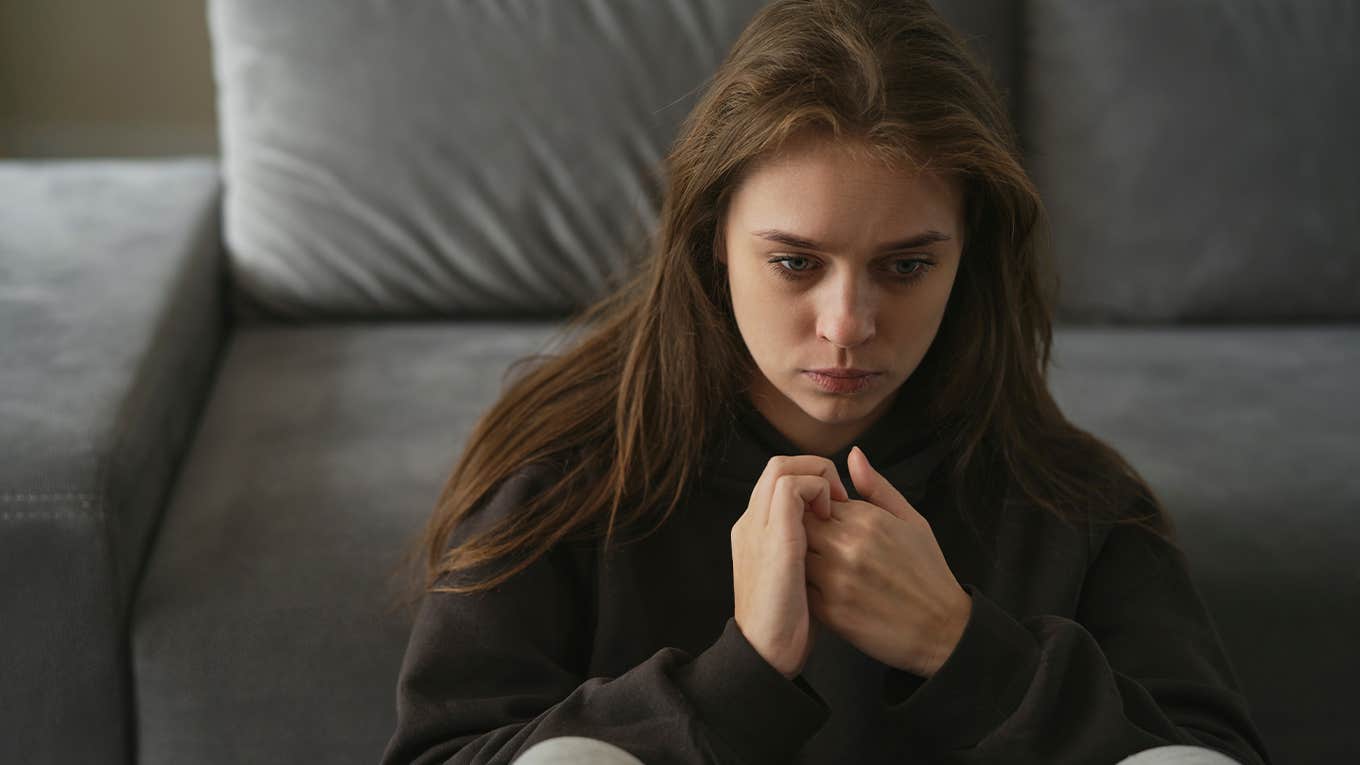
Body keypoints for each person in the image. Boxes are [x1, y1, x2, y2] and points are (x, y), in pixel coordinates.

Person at [380, 0, 1272, 763]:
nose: (848, 324)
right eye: (797, 261)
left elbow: (1206, 748)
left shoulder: (1077, 502)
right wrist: (741, 675)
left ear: (971, 259)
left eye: (907, 265)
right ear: (712, 244)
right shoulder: (565, 476)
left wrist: (960, 647)